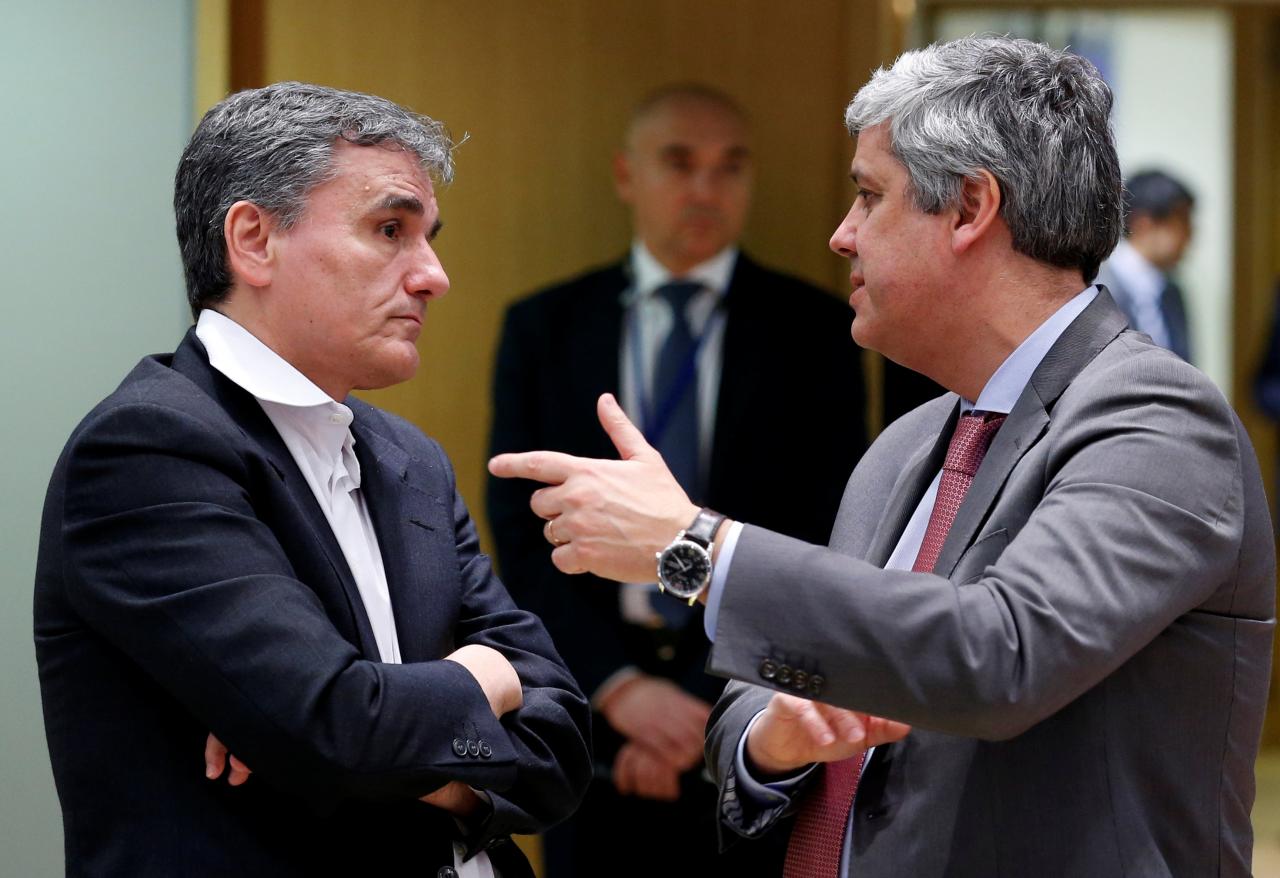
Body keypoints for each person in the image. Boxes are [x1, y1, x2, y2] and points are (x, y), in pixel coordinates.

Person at [490, 36, 1275, 877]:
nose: (840, 235)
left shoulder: (1159, 419)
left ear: (971, 208)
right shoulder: (907, 443)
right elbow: (762, 697)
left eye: (869, 197)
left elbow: (1000, 655)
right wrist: (775, 741)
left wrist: (696, 547)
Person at [34, 82, 591, 878]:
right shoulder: (147, 449)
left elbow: (561, 749)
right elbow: (336, 731)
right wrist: (483, 677)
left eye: (429, 237)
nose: (433, 275)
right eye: (390, 230)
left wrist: (387, 737)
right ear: (255, 240)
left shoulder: (410, 460)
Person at [486, 84, 865, 876]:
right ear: (627, 176)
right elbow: (520, 537)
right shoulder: (545, 326)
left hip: (752, 709)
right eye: (679, 163)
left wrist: (703, 703)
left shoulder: (820, 334)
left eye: (730, 167)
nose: (705, 188)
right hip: (585, 716)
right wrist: (618, 690)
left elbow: (829, 533)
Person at [1095, 168, 1196, 361]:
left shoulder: (1173, 293)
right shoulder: (1097, 287)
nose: (1190, 235)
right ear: (1144, 225)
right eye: (1182, 221)